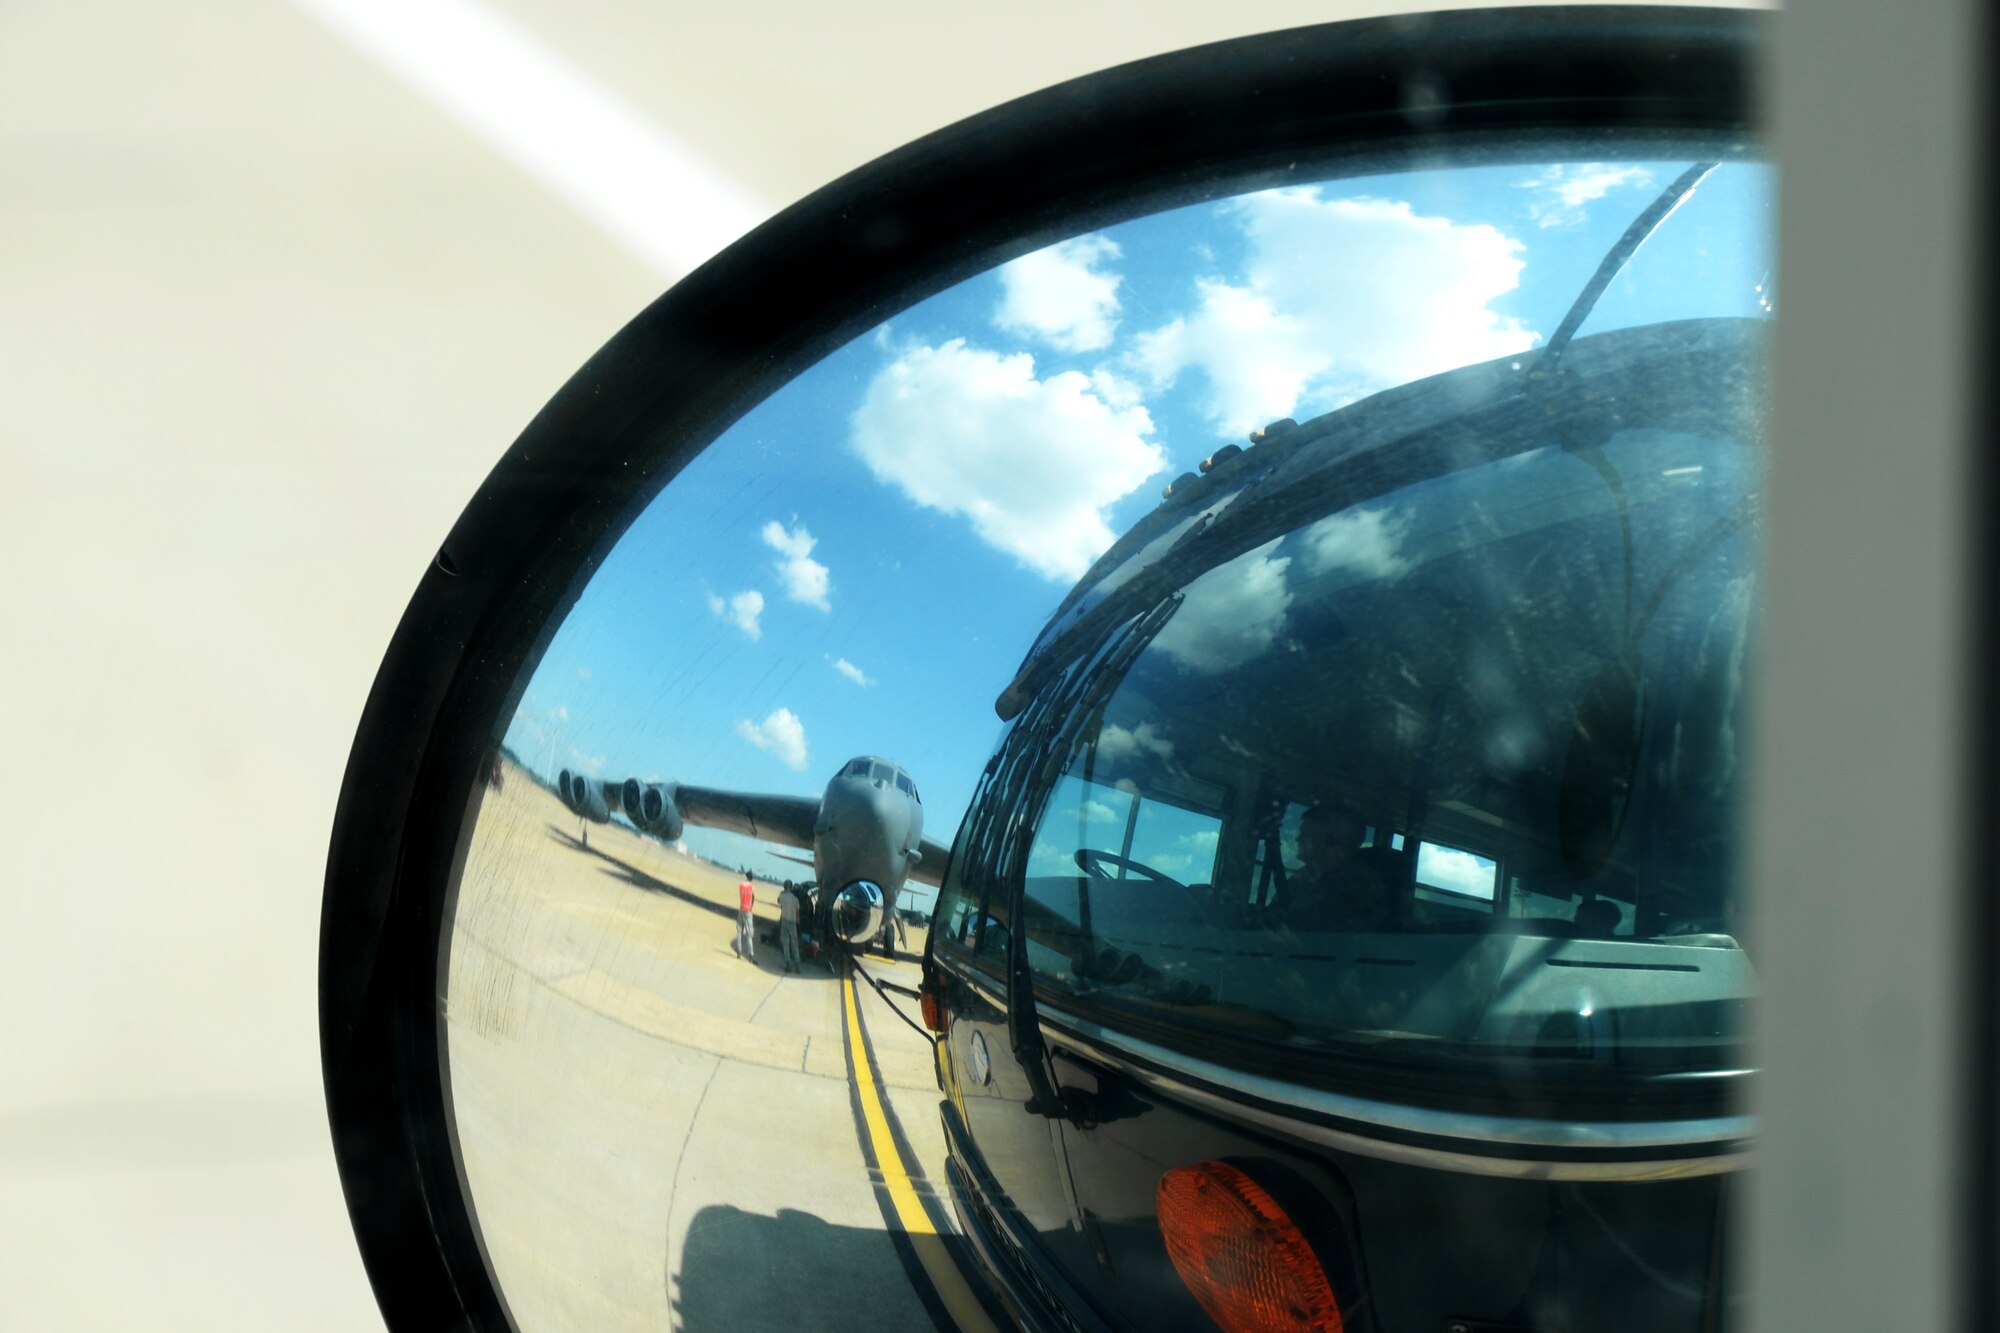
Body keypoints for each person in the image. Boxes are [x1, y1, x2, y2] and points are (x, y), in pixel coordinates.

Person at [1281, 802, 1401, 932]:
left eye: (1305, 834)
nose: (1298, 839)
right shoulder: (1305, 876)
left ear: (1330, 842)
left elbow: (1325, 939)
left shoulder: (1362, 888)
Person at [779, 880, 802, 974]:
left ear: (784, 886)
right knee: (794, 944)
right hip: (792, 923)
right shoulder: (795, 899)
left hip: (784, 921)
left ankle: (788, 964)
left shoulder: (782, 896)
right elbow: (798, 912)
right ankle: (798, 967)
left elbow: (779, 902)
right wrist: (798, 922)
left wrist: (783, 892)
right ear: (791, 887)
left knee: (785, 943)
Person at [736, 876, 757, 961]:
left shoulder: (741, 885)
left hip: (741, 909)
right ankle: (751, 955)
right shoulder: (752, 886)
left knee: (739, 932)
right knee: (749, 934)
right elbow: (753, 898)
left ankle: (738, 951)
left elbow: (741, 895)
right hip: (748, 910)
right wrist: (751, 906)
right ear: (751, 879)